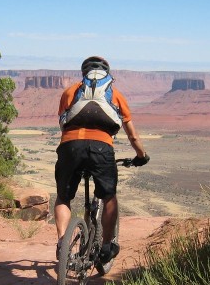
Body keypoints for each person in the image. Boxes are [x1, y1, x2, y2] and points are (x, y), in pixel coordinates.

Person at [54, 55, 149, 263]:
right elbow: (132, 135)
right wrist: (141, 156)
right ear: (107, 72)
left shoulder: (70, 91)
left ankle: (62, 244)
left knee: (63, 197)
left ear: (84, 73)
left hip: (70, 147)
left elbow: (63, 121)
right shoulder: (115, 94)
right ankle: (106, 246)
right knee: (108, 197)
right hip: (101, 148)